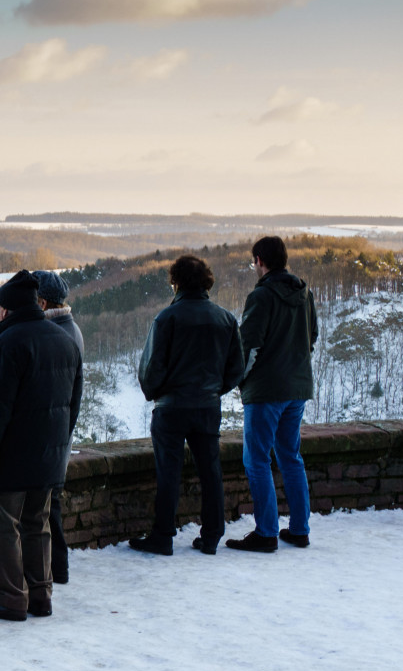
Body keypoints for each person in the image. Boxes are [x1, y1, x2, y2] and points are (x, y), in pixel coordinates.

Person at [0, 270, 83, 621]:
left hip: (11, 457)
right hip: (49, 456)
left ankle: (11, 597)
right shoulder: (63, 340)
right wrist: (58, 446)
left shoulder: (10, 343)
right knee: (37, 523)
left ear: (7, 310)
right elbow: (72, 404)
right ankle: (41, 595)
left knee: (4, 525)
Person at [128, 254, 245, 556]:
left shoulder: (167, 318)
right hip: (207, 406)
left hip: (171, 407)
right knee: (211, 470)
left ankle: (163, 536)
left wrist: (155, 393)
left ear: (175, 282)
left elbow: (151, 368)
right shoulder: (225, 319)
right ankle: (212, 536)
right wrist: (214, 391)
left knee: (169, 471)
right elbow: (236, 368)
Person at [227, 235, 319, 552]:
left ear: (260, 261)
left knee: (256, 460)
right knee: (290, 457)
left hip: (267, 390)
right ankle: (299, 529)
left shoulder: (262, 296)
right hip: (298, 388)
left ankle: (266, 532)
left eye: (255, 261)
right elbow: (312, 337)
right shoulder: (303, 293)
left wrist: (239, 381)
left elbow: (246, 345)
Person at [33, 270, 81, 583]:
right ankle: (56, 568)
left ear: (42, 301)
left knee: (48, 507)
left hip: (52, 438)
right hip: (59, 436)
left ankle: (56, 569)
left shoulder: (56, 334)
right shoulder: (69, 327)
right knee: (51, 505)